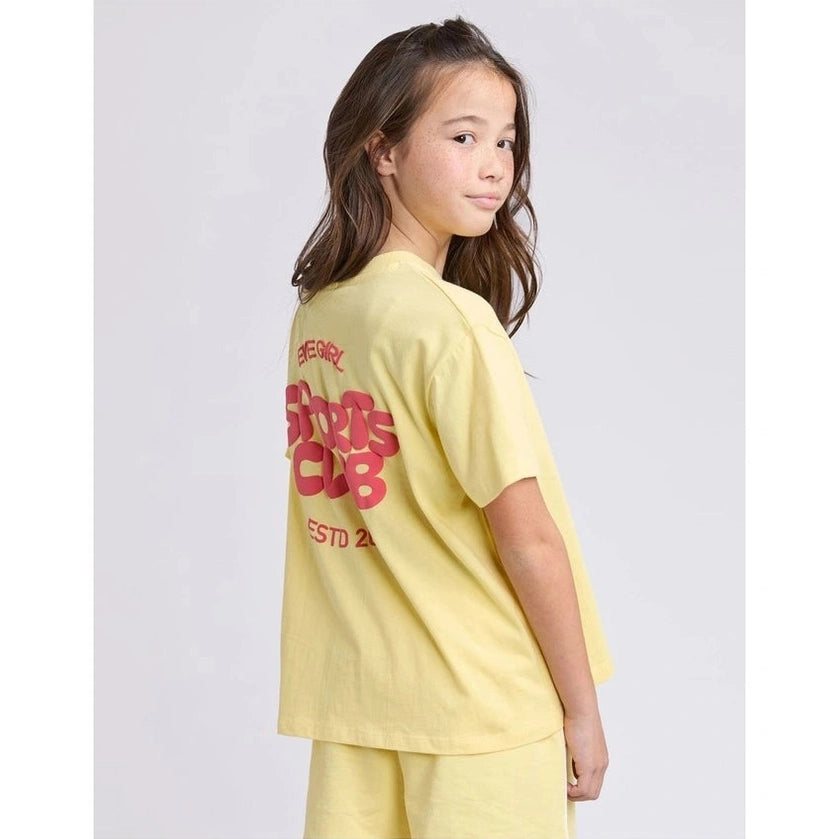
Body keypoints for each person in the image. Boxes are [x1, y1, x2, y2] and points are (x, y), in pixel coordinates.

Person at [277, 17, 615, 839]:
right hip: (479, 708)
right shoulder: (450, 322)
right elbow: (526, 538)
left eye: (505, 140)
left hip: (362, 703)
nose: (494, 165)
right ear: (382, 149)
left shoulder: (321, 316)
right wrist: (580, 710)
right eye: (462, 136)